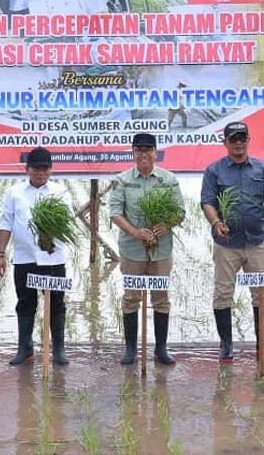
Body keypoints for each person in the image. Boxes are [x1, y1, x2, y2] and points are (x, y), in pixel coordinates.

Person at [200, 121, 264, 362]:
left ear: (249, 140)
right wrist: (216, 222)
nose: (238, 143)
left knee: (262, 294)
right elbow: (207, 201)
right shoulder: (214, 171)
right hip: (226, 244)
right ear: (225, 142)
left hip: (256, 242)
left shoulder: (262, 169)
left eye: (242, 138)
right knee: (223, 292)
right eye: (233, 139)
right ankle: (226, 344)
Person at [109, 133, 186, 366]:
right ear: (133, 153)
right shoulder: (122, 180)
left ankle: (160, 349)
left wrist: (167, 224)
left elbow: (180, 212)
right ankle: (131, 348)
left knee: (161, 299)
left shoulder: (168, 179)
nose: (143, 154)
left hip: (161, 250)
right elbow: (115, 213)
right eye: (138, 150)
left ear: (155, 152)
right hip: (132, 251)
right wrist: (135, 232)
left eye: (148, 149)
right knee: (131, 298)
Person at [0, 147, 73, 365]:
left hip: (53, 259)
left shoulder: (60, 192)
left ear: (51, 170)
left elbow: (67, 220)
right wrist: (1, 254)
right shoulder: (15, 192)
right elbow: (6, 223)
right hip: (24, 259)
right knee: (25, 303)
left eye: (45, 168)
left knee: (56, 303)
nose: (40, 172)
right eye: (36, 168)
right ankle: (25, 348)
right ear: (27, 169)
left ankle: (58, 349)